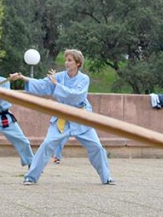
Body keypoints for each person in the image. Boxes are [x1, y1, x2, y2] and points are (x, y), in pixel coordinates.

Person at [9, 49, 114, 186]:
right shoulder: (58, 77)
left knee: (97, 147)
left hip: (80, 117)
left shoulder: (84, 79)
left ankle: (106, 177)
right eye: (66, 60)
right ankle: (31, 177)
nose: (66, 63)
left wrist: (56, 85)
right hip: (62, 118)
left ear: (78, 63)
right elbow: (42, 84)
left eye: (70, 60)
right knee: (47, 144)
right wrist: (22, 77)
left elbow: (76, 95)